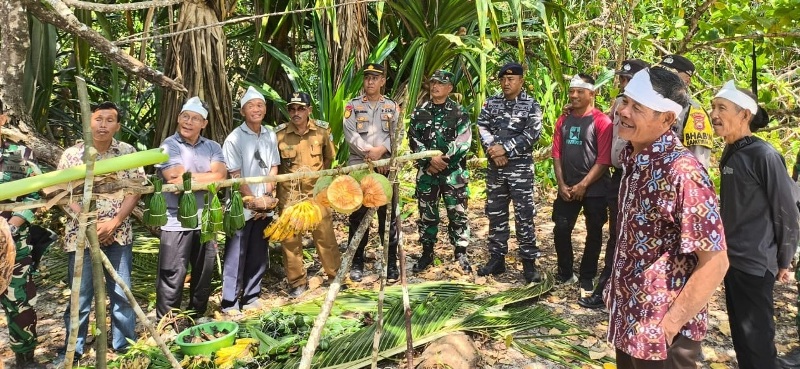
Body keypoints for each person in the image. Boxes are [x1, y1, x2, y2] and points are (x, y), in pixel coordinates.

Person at [605, 68, 729, 368]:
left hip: (664, 333)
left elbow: (715, 262)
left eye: (637, 107)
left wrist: (670, 324)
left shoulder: (682, 172)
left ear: (667, 119)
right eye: (625, 102)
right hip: (632, 318)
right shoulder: (633, 159)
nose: (623, 112)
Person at [711, 80, 800, 369]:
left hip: (755, 261)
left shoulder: (765, 155)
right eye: (713, 107)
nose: (714, 114)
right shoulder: (733, 150)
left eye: (721, 108)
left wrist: (784, 259)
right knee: (741, 337)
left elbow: (786, 211)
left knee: (757, 340)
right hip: (732, 259)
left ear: (744, 115)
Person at [58, 102, 144, 357]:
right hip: (80, 235)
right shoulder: (72, 155)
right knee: (79, 298)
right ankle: (72, 351)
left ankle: (125, 349)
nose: (103, 124)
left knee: (121, 294)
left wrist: (114, 222)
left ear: (117, 126)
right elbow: (62, 192)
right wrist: (88, 222)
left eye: (109, 120)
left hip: (117, 233)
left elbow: (136, 189)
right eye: (98, 118)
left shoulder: (128, 152)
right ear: (89, 122)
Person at [579, 59, 649, 309]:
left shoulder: (656, 108)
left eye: (629, 80)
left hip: (646, 178)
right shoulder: (620, 103)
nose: (624, 84)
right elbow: (606, 129)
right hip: (620, 175)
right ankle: (607, 289)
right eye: (622, 79)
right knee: (616, 235)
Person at [155, 97, 227, 320]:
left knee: (204, 271)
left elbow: (221, 175)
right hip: (175, 220)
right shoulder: (169, 144)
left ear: (203, 124)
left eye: (195, 118)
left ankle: (197, 315)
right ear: (178, 118)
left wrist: (188, 179)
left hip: (206, 218)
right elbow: (174, 176)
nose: (188, 122)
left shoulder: (213, 147)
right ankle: (168, 321)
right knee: (172, 272)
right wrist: (207, 178)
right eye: (185, 116)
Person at [476, 62, 543, 283]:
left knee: (524, 215)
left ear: (521, 81)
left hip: (520, 170)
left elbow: (532, 134)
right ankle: (497, 259)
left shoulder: (531, 105)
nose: (506, 83)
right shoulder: (492, 102)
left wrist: (507, 148)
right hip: (496, 170)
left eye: (511, 79)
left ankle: (528, 263)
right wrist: (494, 151)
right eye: (503, 79)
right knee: (496, 214)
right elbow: (482, 126)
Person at [275, 91, 341, 298]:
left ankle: (334, 277)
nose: (296, 113)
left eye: (301, 108)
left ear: (309, 110)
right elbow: (275, 165)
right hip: (290, 195)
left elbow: (329, 159)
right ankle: (297, 282)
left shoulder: (321, 132)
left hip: (316, 194)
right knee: (290, 240)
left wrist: (320, 183)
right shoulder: (279, 135)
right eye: (292, 109)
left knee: (325, 237)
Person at [551, 74, 612, 295]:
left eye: (579, 91)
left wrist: (584, 184)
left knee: (594, 231)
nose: (574, 95)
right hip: (567, 186)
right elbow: (556, 154)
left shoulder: (602, 121)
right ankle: (565, 272)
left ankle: (588, 275)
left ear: (591, 94)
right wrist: (561, 183)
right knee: (561, 227)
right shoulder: (563, 119)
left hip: (594, 189)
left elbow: (604, 159)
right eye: (571, 91)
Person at [220, 87, 279, 311]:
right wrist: (252, 200)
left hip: (265, 203)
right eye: (251, 105)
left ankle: (251, 297)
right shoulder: (234, 138)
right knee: (237, 253)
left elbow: (274, 166)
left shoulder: (270, 134)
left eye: (260, 105)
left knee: (258, 252)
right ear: (243, 110)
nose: (256, 109)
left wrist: (266, 197)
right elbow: (235, 175)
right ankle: (230, 302)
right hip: (242, 207)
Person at [408, 70, 472, 274]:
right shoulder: (419, 112)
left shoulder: (459, 113)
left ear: (449, 88)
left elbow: (464, 142)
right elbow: (413, 140)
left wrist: (444, 160)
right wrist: (429, 159)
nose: (435, 86)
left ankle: (460, 252)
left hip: (453, 173)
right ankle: (427, 252)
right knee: (427, 214)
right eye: (433, 82)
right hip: (427, 173)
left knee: (457, 213)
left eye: (441, 83)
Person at [343, 63, 400, 282]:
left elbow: (397, 132)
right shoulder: (353, 106)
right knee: (358, 216)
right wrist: (369, 153)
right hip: (360, 167)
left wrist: (382, 152)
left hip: (386, 166)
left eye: (375, 78)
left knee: (388, 218)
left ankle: (390, 263)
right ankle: (357, 262)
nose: (370, 82)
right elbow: (350, 133)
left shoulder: (392, 106)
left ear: (383, 81)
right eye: (367, 78)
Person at [0, 114, 43, 367]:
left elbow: (37, 193)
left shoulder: (19, 154)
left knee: (19, 303)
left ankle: (25, 359)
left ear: (2, 118)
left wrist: (11, 226)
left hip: (13, 245)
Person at [654, 54, 714, 168]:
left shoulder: (694, 113)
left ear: (687, 81)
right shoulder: (651, 104)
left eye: (671, 75)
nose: (664, 78)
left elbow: (699, 165)